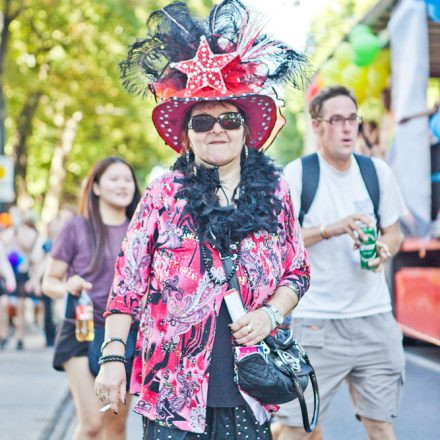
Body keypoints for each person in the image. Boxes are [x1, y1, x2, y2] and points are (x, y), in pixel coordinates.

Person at [94, 1, 311, 439]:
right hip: (172, 392)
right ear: (186, 135)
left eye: (229, 119)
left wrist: (271, 313)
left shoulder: (274, 192)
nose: (217, 129)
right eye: (203, 121)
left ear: (247, 129)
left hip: (251, 389)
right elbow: (126, 289)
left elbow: (298, 272)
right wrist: (113, 357)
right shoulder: (162, 194)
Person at [273, 86, 407, 440]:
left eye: (353, 119)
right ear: (317, 126)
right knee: (299, 427)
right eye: (337, 120)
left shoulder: (376, 172)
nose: (347, 128)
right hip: (317, 321)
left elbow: (394, 232)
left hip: (374, 318)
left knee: (381, 425)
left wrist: (383, 249)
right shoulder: (298, 175)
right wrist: (331, 229)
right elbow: (279, 240)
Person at [42, 157, 141, 440]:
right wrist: (67, 286)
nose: (123, 185)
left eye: (127, 179)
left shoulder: (140, 229)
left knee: (114, 427)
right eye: (114, 178)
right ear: (96, 186)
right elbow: (48, 282)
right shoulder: (76, 227)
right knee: (92, 425)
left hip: (125, 336)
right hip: (81, 331)